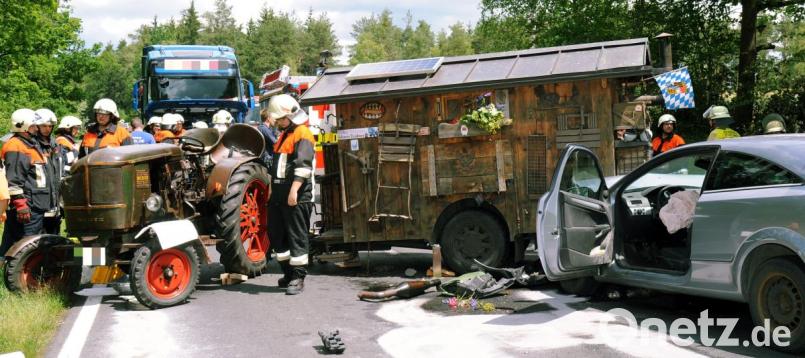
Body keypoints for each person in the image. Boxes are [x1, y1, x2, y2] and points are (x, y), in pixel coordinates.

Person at [266, 94, 315, 295]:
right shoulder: (283, 135)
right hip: (279, 195)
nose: (277, 122)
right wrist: (271, 190)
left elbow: (302, 166)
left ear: (290, 115)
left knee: (296, 236)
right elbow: (277, 167)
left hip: (296, 194)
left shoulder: (303, 133)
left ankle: (298, 277)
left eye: (279, 119)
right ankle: (287, 273)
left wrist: (294, 191)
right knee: (277, 235)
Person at [1, 109, 46, 256]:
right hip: (27, 206)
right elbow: (14, 180)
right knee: (26, 247)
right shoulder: (16, 146)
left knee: (16, 244)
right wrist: (21, 205)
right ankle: (22, 276)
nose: (37, 128)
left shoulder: (29, 144)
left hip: (35, 204)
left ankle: (6, 271)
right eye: (34, 126)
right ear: (25, 127)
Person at [33, 108, 63, 235]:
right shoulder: (32, 144)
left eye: (50, 126)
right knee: (37, 242)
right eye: (44, 126)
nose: (47, 129)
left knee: (55, 239)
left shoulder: (54, 144)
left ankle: (99, 254)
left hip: (54, 201)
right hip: (38, 203)